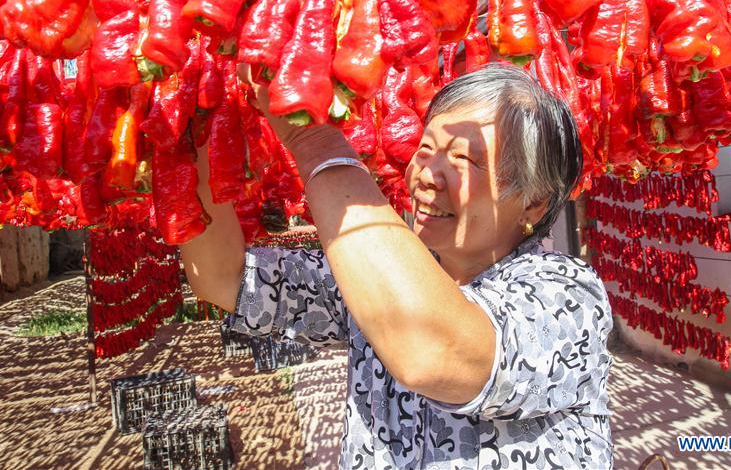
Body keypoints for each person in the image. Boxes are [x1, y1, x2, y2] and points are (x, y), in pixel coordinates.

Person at [182, 62, 614, 469]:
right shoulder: (384, 276)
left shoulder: (568, 294)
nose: (427, 174)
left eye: (463, 160)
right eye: (426, 150)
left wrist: (312, 142)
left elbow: (432, 354)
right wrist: (197, 123)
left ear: (534, 204)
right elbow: (225, 278)